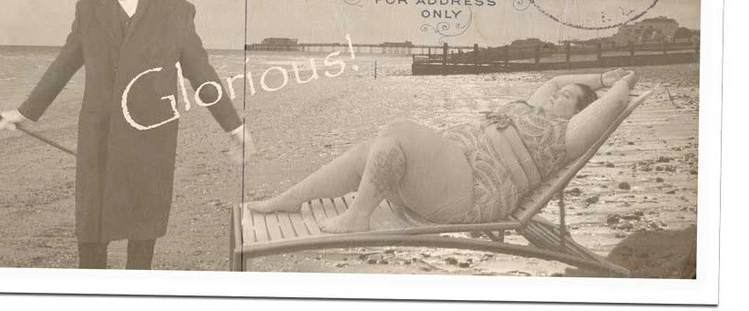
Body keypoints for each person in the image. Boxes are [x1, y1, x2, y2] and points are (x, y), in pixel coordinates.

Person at [0, 0, 257, 269]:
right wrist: (25, 112)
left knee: (143, 229)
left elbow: (202, 74)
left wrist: (235, 127)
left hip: (152, 135)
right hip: (97, 134)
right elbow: (62, 66)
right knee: (91, 227)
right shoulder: (87, 10)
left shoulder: (177, 10)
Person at [249, 68, 637, 233]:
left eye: (567, 98)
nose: (556, 96)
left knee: (397, 131)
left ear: (578, 110)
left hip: (472, 192)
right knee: (371, 149)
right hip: (452, 173)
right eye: (559, 95)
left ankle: (357, 217)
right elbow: (554, 79)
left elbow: (612, 104)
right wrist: (601, 76)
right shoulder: (534, 107)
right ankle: (291, 198)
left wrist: (623, 82)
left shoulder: (567, 134)